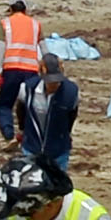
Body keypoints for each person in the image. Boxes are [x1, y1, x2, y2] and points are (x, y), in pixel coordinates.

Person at [20, 46, 82, 179]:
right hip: (31, 147)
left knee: (57, 188)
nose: (54, 84)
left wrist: (65, 134)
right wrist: (23, 131)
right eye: (50, 81)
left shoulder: (72, 92)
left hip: (59, 151)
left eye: (57, 81)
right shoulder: (27, 89)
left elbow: (72, 115)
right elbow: (21, 111)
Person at [0, 0, 44, 141]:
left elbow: (1, 48)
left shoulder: (5, 23)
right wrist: (50, 67)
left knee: (3, 104)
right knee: (28, 103)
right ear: (25, 10)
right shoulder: (35, 24)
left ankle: (9, 134)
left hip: (11, 69)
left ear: (10, 9)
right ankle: (25, 133)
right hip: (31, 70)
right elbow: (44, 47)